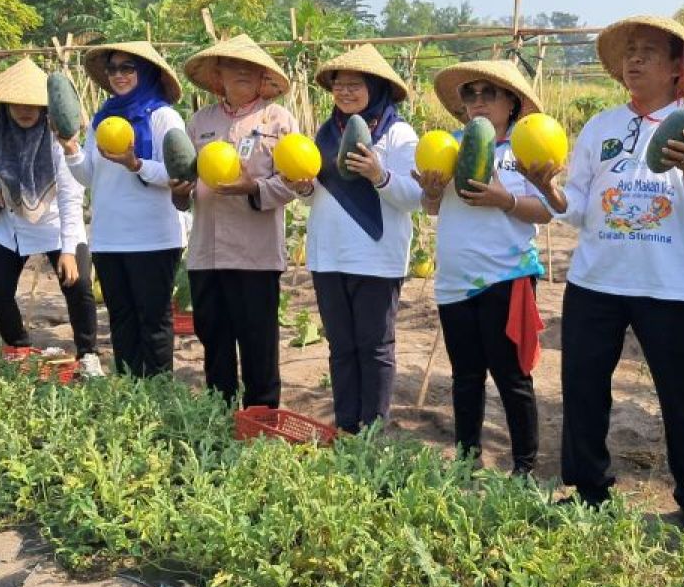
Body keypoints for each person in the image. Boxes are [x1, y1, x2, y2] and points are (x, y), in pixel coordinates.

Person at [522, 16, 684, 526]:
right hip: (595, 281)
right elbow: (575, 206)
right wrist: (548, 189)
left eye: (648, 51)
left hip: (670, 285)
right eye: (629, 52)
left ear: (677, 67)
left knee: (681, 396)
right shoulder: (601, 126)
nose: (634, 59)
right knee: (582, 388)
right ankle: (588, 491)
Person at [413, 60, 551, 475]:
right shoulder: (449, 147)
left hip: (507, 278)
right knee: (465, 377)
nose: (477, 102)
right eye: (469, 94)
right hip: (455, 280)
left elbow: (544, 211)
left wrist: (504, 199)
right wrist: (432, 194)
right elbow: (432, 208)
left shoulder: (525, 150)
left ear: (512, 102)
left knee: (512, 377)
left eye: (488, 93)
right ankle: (467, 461)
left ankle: (524, 467)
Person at [294, 45, 422, 434]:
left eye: (355, 85)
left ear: (377, 87)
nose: (345, 92)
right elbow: (317, 192)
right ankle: (347, 427)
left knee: (375, 347)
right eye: (339, 85)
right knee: (341, 348)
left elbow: (414, 197)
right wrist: (302, 187)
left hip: (377, 257)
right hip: (328, 254)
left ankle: (374, 431)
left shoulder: (399, 134)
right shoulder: (323, 133)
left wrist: (378, 174)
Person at [172, 35, 298, 407]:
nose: (242, 71)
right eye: (232, 65)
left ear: (263, 77)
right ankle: (218, 416)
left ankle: (261, 419)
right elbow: (186, 185)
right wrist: (178, 191)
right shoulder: (199, 122)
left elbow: (293, 183)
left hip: (254, 255)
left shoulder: (278, 120)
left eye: (251, 68)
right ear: (218, 76)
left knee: (259, 343)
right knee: (214, 341)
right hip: (206, 255)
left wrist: (252, 187)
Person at [60, 41, 187, 377]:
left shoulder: (164, 117)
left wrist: (136, 163)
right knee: (121, 320)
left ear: (145, 72)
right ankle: (132, 394)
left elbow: (178, 173)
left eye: (127, 67)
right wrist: (70, 149)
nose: (118, 74)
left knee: (154, 320)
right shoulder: (102, 119)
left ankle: (158, 394)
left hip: (154, 238)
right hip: (108, 237)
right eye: (113, 69)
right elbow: (89, 176)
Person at [0, 58, 100, 375]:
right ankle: (19, 346)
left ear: (45, 106)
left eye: (32, 103)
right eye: (17, 103)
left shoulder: (57, 139)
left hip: (56, 221)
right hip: (11, 223)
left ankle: (88, 354)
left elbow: (72, 196)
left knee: (79, 285)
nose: (25, 110)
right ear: (5, 105)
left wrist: (69, 251)